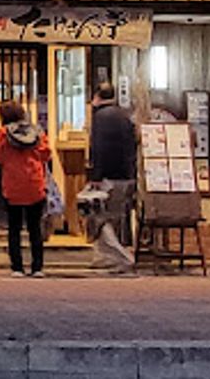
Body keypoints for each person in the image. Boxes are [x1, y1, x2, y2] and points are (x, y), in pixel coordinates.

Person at [0, 101, 51, 278]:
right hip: (34, 185)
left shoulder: (5, 135)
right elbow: (46, 154)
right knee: (35, 228)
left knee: (14, 228)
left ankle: (17, 267)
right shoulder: (37, 132)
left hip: (12, 187)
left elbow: (0, 157)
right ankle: (37, 267)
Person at [88, 81, 138, 274]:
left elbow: (99, 148)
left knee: (103, 218)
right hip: (126, 175)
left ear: (97, 96)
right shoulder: (124, 116)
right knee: (118, 217)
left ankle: (119, 258)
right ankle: (109, 257)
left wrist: (96, 175)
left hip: (108, 176)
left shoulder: (100, 117)